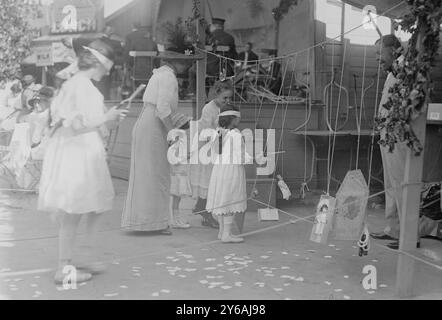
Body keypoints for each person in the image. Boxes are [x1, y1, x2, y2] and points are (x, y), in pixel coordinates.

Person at [37, 39, 128, 284]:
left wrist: (109, 120)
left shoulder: (80, 84)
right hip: (77, 156)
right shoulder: (79, 86)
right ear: (99, 63)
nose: (109, 71)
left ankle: (86, 256)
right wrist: (105, 118)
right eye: (108, 66)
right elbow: (76, 127)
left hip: (83, 152)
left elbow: (86, 121)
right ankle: (63, 268)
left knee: (92, 207)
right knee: (73, 211)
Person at [121, 47, 200, 234]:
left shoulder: (161, 75)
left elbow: (162, 108)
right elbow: (162, 108)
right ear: (173, 61)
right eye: (184, 62)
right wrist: (172, 132)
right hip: (153, 126)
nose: (187, 66)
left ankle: (149, 220)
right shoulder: (168, 77)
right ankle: (152, 222)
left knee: (151, 173)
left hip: (149, 123)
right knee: (156, 174)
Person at [369, 34, 421, 250]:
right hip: (387, 133)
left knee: (401, 184)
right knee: (391, 184)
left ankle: (410, 236)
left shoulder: (405, 69)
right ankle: (393, 229)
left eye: (379, 53)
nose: (377, 58)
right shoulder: (392, 71)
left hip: (398, 134)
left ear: (393, 50)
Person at [205, 106, 255, 243]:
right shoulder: (236, 135)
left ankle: (222, 232)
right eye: (238, 117)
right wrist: (253, 158)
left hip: (219, 171)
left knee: (223, 200)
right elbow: (240, 157)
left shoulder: (217, 133)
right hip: (232, 171)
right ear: (233, 119)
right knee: (230, 201)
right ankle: (227, 234)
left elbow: (215, 155)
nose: (240, 119)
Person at [190, 80, 233, 228]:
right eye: (224, 98)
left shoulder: (225, 108)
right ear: (216, 95)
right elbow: (206, 131)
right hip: (207, 148)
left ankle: (203, 208)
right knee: (209, 180)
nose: (227, 101)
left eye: (229, 98)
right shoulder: (209, 108)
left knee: (214, 181)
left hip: (218, 146)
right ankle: (205, 210)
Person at [167, 113, 193, 229]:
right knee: (177, 196)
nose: (189, 123)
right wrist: (186, 156)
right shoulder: (180, 134)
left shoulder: (175, 134)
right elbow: (176, 152)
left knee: (176, 196)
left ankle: (175, 219)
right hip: (179, 169)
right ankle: (176, 220)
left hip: (176, 169)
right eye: (187, 122)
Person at [124, 22, 158, 88]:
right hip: (150, 71)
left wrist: (129, 66)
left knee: (128, 66)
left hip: (136, 72)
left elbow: (130, 57)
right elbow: (157, 57)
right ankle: (146, 89)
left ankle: (135, 89)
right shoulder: (153, 43)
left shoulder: (134, 42)